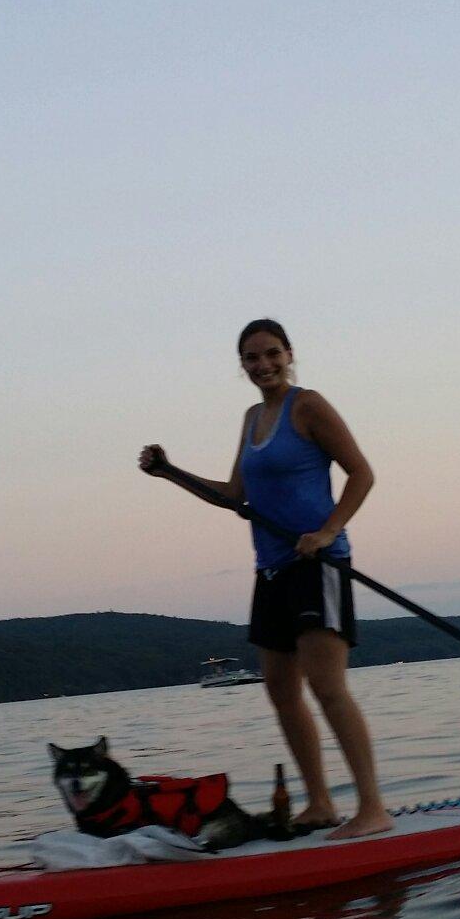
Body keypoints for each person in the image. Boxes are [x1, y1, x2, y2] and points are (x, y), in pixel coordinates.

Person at [139, 318, 392, 839]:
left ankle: (372, 810)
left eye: (272, 354)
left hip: (317, 564)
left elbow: (362, 474)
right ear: (242, 366)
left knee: (327, 687)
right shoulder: (252, 417)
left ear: (289, 353)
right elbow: (234, 498)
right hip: (271, 570)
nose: (263, 365)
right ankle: (320, 803)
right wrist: (170, 472)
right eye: (252, 359)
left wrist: (327, 531)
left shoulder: (309, 405)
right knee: (280, 691)